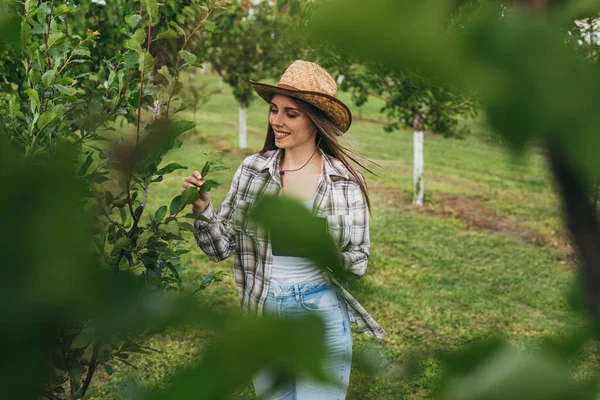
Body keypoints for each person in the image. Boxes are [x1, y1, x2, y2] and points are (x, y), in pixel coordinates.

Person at [182, 60, 386, 399]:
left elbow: (358, 259)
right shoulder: (253, 170)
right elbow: (221, 248)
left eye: (291, 114)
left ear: (315, 120)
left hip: (320, 313)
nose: (277, 120)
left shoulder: (345, 182)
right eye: (275, 110)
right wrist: (202, 210)